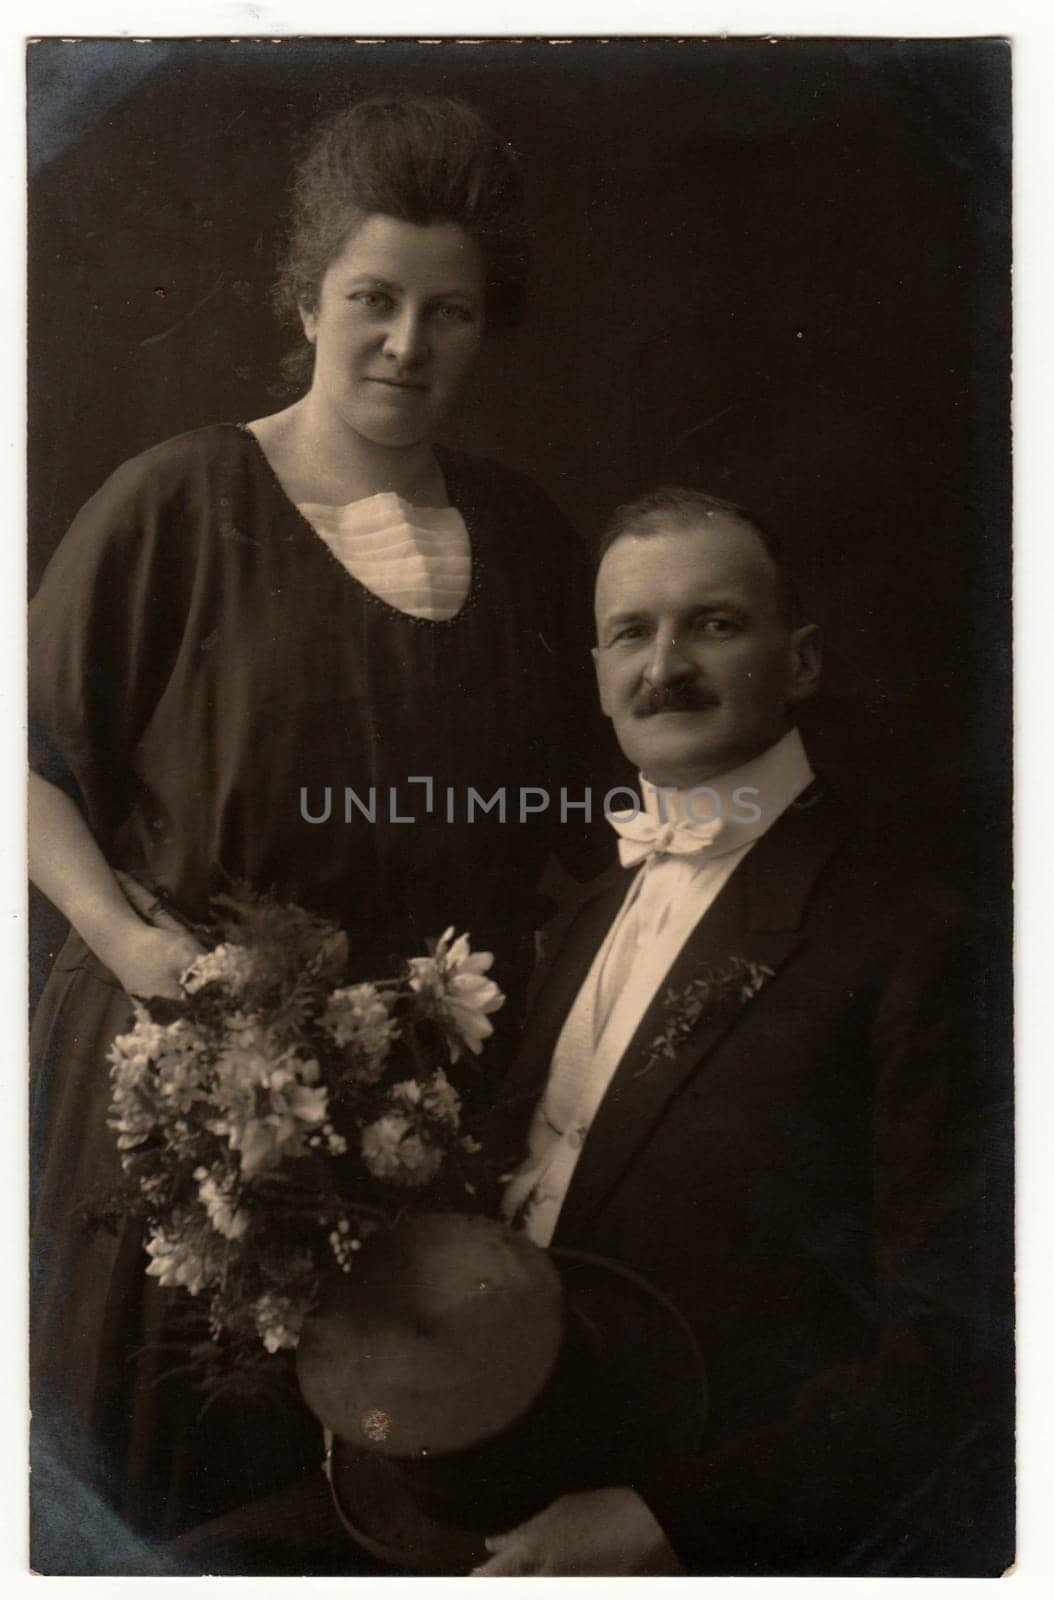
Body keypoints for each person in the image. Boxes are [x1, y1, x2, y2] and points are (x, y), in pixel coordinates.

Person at [28, 94, 608, 1570]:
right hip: (193, 1101)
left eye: (451, 313)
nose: (408, 346)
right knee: (184, 1492)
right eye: (374, 301)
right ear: (307, 301)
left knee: (388, 1508)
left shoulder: (532, 542)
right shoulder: (176, 502)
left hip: (425, 1119)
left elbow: (596, 823)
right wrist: (131, 946)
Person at [477, 487, 1012, 1576]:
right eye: (632, 631)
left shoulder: (917, 936)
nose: (663, 664)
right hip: (497, 1467)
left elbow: (962, 1343)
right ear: (597, 676)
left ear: (801, 661)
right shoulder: (581, 916)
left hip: (706, 1523)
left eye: (713, 624)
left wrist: (670, 1521)